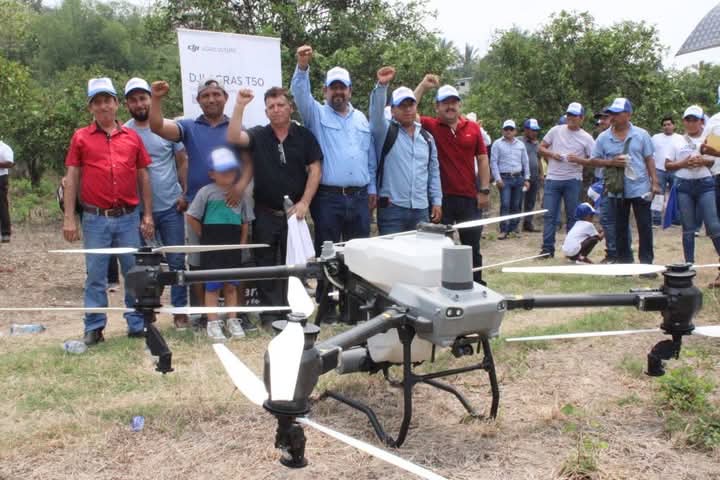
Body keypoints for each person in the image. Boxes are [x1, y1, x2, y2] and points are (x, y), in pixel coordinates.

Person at [149, 78, 252, 319]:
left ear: (225, 98)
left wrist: (240, 187)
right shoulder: (188, 126)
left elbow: (248, 164)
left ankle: (237, 316)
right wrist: (156, 99)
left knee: (236, 262)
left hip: (231, 207)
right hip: (198, 209)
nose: (211, 99)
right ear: (198, 100)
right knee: (198, 263)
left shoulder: (237, 127)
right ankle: (204, 316)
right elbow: (157, 126)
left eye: (216, 94)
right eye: (205, 95)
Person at [63, 77, 155, 345]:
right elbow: (72, 177)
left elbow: (143, 176)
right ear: (91, 107)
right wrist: (69, 217)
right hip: (95, 218)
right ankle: (94, 326)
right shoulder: (81, 137)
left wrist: (147, 214)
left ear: (116, 104)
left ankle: (137, 323)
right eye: (97, 102)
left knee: (133, 272)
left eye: (107, 101)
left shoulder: (132, 137)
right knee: (95, 275)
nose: (103, 106)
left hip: (128, 217)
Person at [291, 45, 376, 322]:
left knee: (358, 254)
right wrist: (302, 67)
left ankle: (354, 309)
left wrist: (372, 189)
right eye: (333, 88)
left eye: (342, 87)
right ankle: (326, 308)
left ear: (350, 90)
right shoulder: (316, 114)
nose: (338, 92)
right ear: (325, 91)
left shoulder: (361, 118)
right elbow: (300, 93)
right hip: (328, 197)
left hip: (359, 196)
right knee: (327, 254)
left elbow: (369, 157)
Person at [227, 87, 322, 327]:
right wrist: (239, 105)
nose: (276, 110)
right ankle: (270, 316)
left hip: (294, 214)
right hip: (265, 212)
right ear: (266, 111)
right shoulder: (259, 135)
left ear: (290, 107)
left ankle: (295, 312)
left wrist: (305, 202)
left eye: (280, 105)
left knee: (296, 265)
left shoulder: (305, 136)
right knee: (266, 264)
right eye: (271, 106)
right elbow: (234, 137)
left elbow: (315, 169)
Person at [123, 78, 190, 329]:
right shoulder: (124, 132)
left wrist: (185, 193)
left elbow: (182, 161)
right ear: (127, 104)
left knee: (176, 262)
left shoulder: (167, 127)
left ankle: (180, 312)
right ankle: (147, 311)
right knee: (144, 265)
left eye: (143, 98)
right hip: (139, 211)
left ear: (150, 100)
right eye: (133, 100)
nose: (139, 104)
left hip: (171, 206)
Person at [413, 76, 490, 284]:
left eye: (454, 102)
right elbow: (409, 111)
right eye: (445, 102)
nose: (450, 106)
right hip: (441, 200)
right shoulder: (430, 125)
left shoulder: (473, 128)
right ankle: (443, 287)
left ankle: (476, 285)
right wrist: (423, 87)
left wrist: (484, 190)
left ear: (459, 105)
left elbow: (482, 159)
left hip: (469, 198)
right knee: (440, 248)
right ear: (437, 107)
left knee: (472, 247)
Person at [186, 147, 253, 341]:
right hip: (212, 249)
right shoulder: (205, 192)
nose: (228, 174)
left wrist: (242, 244)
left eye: (231, 170)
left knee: (231, 285)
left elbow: (245, 222)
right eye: (222, 170)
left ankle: (232, 320)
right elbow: (191, 216)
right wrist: (204, 236)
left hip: (232, 248)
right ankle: (213, 322)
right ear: (211, 174)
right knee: (212, 286)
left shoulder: (241, 195)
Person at [590, 97, 660, 274]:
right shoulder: (603, 137)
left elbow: (649, 159)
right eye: (611, 113)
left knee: (644, 227)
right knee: (620, 227)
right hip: (616, 189)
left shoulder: (641, 134)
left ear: (628, 115)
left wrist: (655, 182)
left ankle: (647, 266)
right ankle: (625, 265)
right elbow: (594, 160)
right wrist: (611, 162)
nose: (612, 116)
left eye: (617, 113)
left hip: (640, 187)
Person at [368, 67, 442, 234]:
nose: (407, 109)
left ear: (416, 107)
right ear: (392, 110)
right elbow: (376, 114)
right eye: (402, 106)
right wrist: (382, 86)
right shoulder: (385, 132)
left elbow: (433, 172)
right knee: (392, 251)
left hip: (421, 209)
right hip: (392, 209)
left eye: (411, 105)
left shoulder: (427, 138)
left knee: (420, 251)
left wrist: (437, 200)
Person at [665, 106, 720, 285]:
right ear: (683, 121)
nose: (691, 123)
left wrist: (703, 161)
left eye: (695, 120)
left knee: (713, 225)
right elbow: (668, 165)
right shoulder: (677, 140)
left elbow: (716, 159)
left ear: (701, 121)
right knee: (688, 228)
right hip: (684, 185)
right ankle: (689, 266)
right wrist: (684, 163)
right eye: (687, 119)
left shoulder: (710, 137)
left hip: (706, 184)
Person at [537, 102, 595, 258]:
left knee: (573, 217)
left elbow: (594, 160)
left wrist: (579, 160)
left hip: (573, 180)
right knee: (549, 215)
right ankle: (547, 250)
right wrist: (552, 154)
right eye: (569, 115)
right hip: (553, 179)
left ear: (582, 118)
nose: (571, 118)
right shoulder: (555, 130)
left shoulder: (586, 138)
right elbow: (541, 147)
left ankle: (572, 250)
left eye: (575, 115)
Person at [491, 120, 530, 239]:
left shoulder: (521, 144)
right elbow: (493, 162)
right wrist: (497, 179)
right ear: (502, 130)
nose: (508, 131)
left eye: (511, 129)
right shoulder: (497, 144)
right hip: (504, 178)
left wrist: (527, 178)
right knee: (505, 204)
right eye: (506, 129)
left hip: (518, 177)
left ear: (515, 131)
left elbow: (525, 162)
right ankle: (503, 229)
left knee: (516, 204)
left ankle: (514, 229)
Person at [651, 116, 684, 227]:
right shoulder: (656, 138)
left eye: (669, 124)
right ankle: (656, 219)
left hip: (676, 170)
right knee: (658, 195)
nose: (666, 127)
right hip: (659, 170)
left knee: (677, 194)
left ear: (673, 126)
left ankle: (676, 219)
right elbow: (650, 153)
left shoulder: (680, 138)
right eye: (664, 125)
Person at [520, 118, 543, 232]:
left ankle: (528, 223)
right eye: (532, 130)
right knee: (518, 200)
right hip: (522, 176)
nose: (535, 132)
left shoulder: (537, 144)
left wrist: (541, 174)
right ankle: (514, 225)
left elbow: (539, 159)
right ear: (526, 130)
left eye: (536, 130)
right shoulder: (519, 141)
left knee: (531, 201)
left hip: (534, 176)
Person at [0, 140, 14, 243]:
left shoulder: (4, 148)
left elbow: (10, 163)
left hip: (1, 178)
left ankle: (5, 233)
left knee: (2, 205)